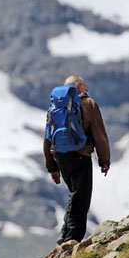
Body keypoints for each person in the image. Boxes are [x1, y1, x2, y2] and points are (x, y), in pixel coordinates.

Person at [43, 75, 111, 245]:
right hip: (81, 155)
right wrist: (104, 160)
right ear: (80, 87)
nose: (86, 90)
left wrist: (52, 167)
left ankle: (65, 234)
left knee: (75, 194)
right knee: (81, 199)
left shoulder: (54, 107)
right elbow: (99, 135)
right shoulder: (89, 104)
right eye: (85, 86)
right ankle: (71, 240)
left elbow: (47, 137)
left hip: (60, 156)